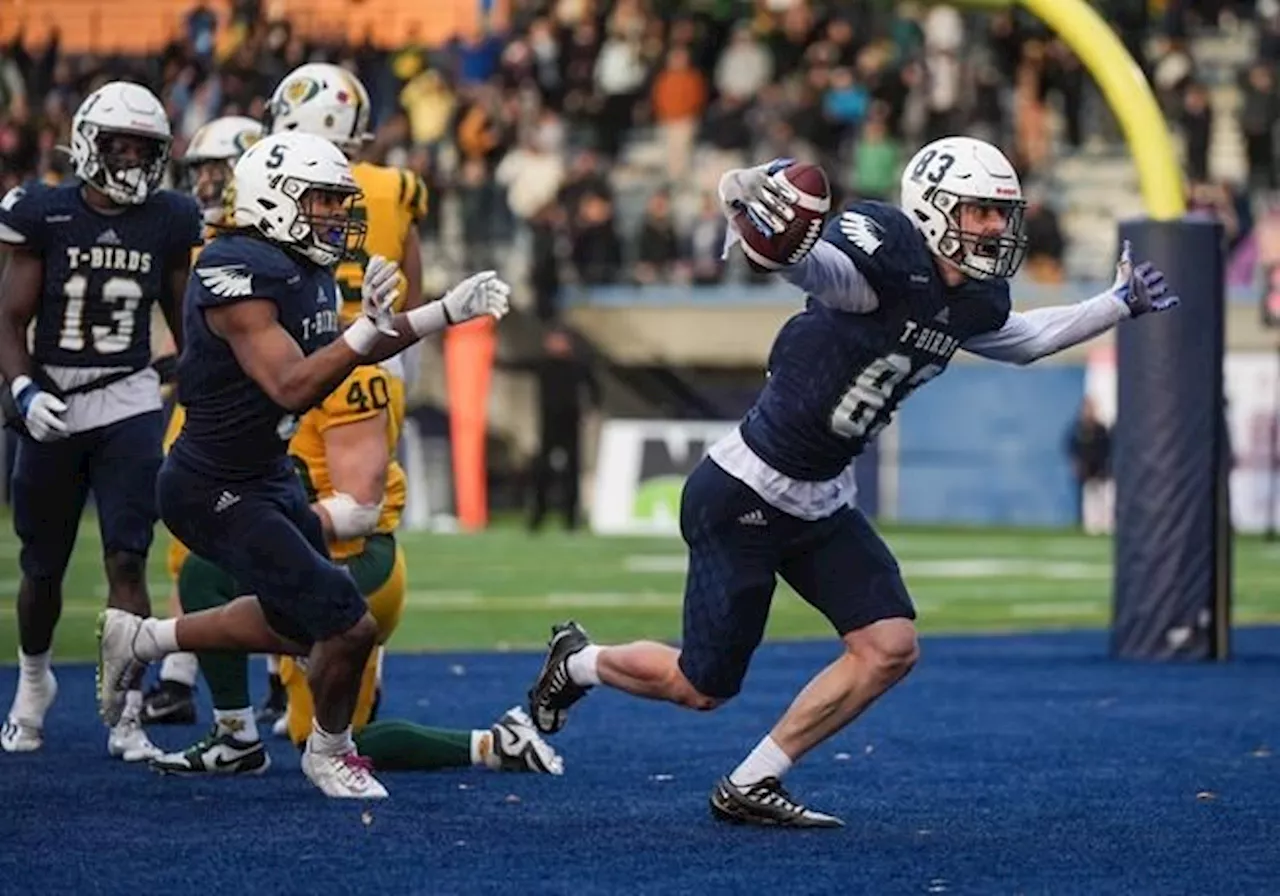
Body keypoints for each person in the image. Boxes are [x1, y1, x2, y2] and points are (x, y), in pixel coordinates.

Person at [527, 138, 1179, 827]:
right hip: (745, 492)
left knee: (889, 648)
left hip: (822, 500)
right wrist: (752, 210)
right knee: (701, 687)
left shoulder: (974, 299)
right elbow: (812, 268)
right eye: (981, 211)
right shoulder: (882, 256)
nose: (994, 228)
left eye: (1000, 214)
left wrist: (1117, 304)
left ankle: (754, 780)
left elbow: (1021, 339)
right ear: (932, 210)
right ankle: (581, 662)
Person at [96, 130, 510, 799]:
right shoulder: (231, 268)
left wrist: (443, 311)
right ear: (273, 199)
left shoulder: (304, 269)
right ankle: (330, 752)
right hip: (210, 487)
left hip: (264, 474)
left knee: (295, 623)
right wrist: (363, 330)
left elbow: (350, 348)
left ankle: (141, 639)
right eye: (319, 200)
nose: (335, 215)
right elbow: (293, 384)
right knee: (349, 624)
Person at [150, 317, 560, 777]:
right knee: (202, 572)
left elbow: (360, 509)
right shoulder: (251, 373)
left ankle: (493, 743)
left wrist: (268, 530)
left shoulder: (352, 377)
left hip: (356, 562)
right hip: (301, 554)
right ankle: (235, 735)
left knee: (329, 739)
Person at [0, 81, 201, 760]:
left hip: (130, 397)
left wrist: (200, 380)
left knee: (127, 555)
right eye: (119, 145)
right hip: (54, 395)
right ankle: (33, 685)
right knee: (43, 565)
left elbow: (183, 316)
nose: (132, 159)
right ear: (89, 142)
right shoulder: (43, 212)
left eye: (144, 149)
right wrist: (24, 389)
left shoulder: (170, 218)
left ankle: (127, 711)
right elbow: (8, 317)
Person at [252, 62, 430, 724]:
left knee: (288, 508)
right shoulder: (395, 188)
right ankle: (358, 658)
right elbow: (415, 279)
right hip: (380, 360)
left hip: (300, 356)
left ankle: (295, 666)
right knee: (365, 516)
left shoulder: (272, 178)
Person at [143, 114, 264, 726]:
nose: (209, 182)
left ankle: (281, 675)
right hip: (204, 399)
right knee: (186, 545)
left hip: (261, 402)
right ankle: (178, 674)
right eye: (202, 170)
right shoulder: (188, 234)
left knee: (275, 531)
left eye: (220, 169)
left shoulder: (264, 242)